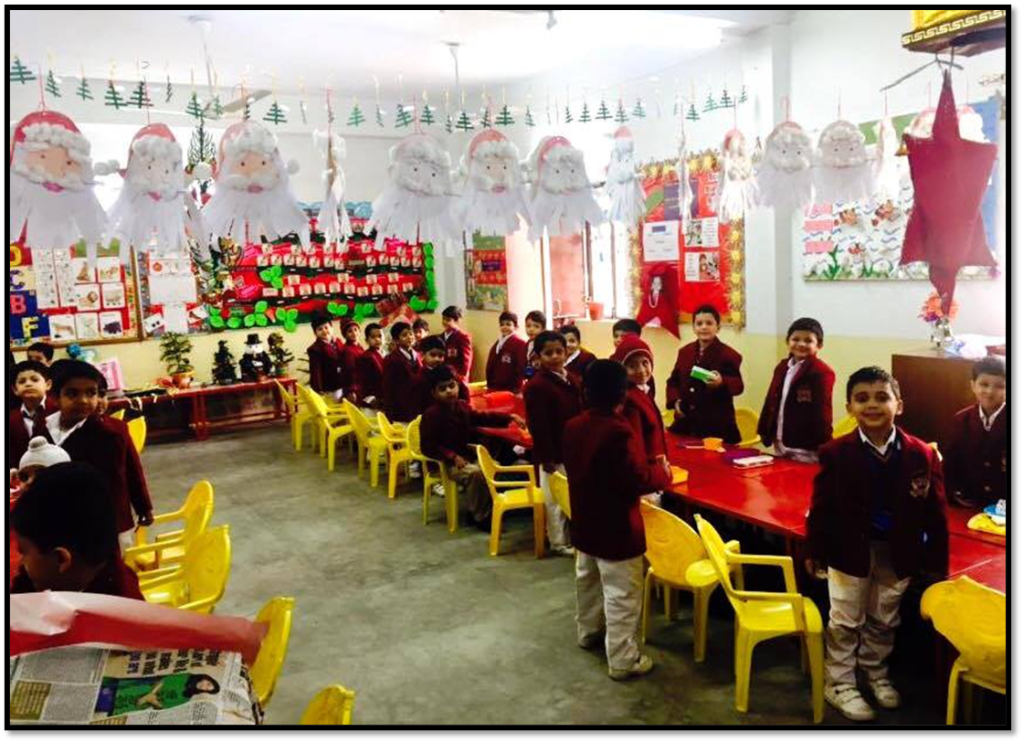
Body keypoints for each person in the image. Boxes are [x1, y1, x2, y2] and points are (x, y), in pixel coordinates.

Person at [806, 367, 948, 722]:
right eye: (862, 398)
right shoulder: (835, 452)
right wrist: (815, 549)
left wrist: (936, 562)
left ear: (899, 405)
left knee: (885, 617)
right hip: (849, 550)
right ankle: (839, 682)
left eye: (882, 397)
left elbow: (935, 512)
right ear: (849, 407)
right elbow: (821, 507)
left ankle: (875, 672)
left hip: (898, 551)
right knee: (845, 618)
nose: (872, 405)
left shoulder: (921, 454)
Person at [564, 360, 672, 680]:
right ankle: (623, 659)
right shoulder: (618, 430)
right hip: (617, 527)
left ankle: (588, 632)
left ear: (586, 392)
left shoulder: (573, 426)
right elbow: (636, 479)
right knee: (622, 594)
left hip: (585, 521)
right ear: (622, 395)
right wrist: (661, 474)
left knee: (587, 581)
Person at [45, 360, 153, 550]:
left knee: (109, 562)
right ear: (55, 398)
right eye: (72, 394)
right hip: (61, 518)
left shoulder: (112, 432)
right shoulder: (44, 427)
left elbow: (131, 471)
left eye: (91, 393)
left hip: (108, 521)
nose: (84, 400)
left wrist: (143, 506)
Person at [10, 462, 144, 599]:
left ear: (61, 559)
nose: (21, 562)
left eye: (23, 552)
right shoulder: (104, 569)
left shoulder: (121, 607)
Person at [421, 366, 523, 529]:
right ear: (434, 393)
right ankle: (480, 516)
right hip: (446, 464)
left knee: (496, 466)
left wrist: (509, 417)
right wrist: (452, 456)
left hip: (466, 456)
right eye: (442, 389)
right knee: (477, 474)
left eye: (452, 386)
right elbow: (428, 446)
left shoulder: (461, 406)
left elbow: (482, 417)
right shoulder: (431, 415)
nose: (449, 391)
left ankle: (482, 507)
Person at [524, 331, 582, 557]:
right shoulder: (536, 386)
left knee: (570, 497)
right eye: (548, 353)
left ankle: (572, 537)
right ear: (538, 357)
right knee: (555, 500)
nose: (555, 357)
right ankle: (558, 542)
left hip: (572, 449)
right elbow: (538, 425)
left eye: (559, 351)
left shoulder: (572, 378)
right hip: (551, 453)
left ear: (566, 352)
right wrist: (547, 457)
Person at [758, 318, 836, 463]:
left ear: (819, 345)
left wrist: (824, 444)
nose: (801, 344)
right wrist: (764, 430)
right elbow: (770, 399)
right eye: (795, 339)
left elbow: (823, 413)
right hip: (780, 440)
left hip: (806, 446)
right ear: (788, 341)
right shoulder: (782, 367)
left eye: (808, 340)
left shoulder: (821, 372)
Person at [666, 305, 744, 444]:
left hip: (716, 425)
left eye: (709, 323)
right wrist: (675, 402)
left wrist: (721, 382)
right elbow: (673, 382)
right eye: (699, 323)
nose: (704, 327)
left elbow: (738, 386)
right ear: (694, 328)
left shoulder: (729, 355)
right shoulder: (685, 352)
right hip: (686, 421)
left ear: (718, 327)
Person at [945, 356, 1006, 508]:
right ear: (973, 385)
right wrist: (955, 495)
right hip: (969, 501)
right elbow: (951, 465)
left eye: (1000, 386)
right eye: (984, 384)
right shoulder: (961, 420)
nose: (990, 392)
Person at [10, 360, 57, 468]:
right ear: (15, 390)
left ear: (48, 385)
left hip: (56, 470)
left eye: (35, 380)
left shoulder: (59, 410)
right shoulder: (11, 418)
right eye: (22, 381)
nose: (28, 384)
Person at [382, 322, 421, 424]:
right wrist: (389, 411)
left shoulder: (418, 355)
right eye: (404, 335)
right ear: (396, 340)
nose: (409, 337)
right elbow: (388, 386)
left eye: (411, 334)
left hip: (417, 404)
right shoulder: (391, 359)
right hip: (401, 406)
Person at [485, 311, 528, 393]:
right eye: (502, 324)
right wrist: (489, 383)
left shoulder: (520, 343)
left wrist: (516, 388)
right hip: (495, 386)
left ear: (516, 327)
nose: (504, 327)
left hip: (510, 388)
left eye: (508, 324)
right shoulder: (498, 343)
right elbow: (490, 364)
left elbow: (520, 367)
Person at [307, 314, 345, 400]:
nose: (324, 331)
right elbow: (316, 371)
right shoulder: (314, 349)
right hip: (330, 387)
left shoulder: (338, 341)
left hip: (343, 382)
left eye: (326, 327)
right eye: (320, 329)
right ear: (315, 333)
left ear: (332, 328)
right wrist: (318, 390)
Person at [355, 323, 385, 412]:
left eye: (380, 336)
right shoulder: (366, 357)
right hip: (371, 402)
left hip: (383, 399)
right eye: (373, 337)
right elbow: (362, 381)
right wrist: (370, 399)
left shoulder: (385, 354)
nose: (377, 339)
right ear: (367, 340)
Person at [441, 306, 474, 384]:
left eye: (448, 320)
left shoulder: (463, 337)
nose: (444, 322)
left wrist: (460, 376)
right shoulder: (441, 337)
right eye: (443, 319)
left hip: (457, 378)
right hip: (443, 376)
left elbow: (466, 360)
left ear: (457, 321)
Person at [523, 310, 547, 380]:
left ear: (543, 329)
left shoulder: (545, 345)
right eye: (528, 326)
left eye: (536, 326)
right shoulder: (527, 344)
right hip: (530, 379)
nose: (531, 329)